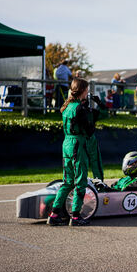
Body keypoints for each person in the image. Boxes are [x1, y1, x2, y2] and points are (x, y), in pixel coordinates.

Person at [47, 78, 93, 227]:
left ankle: (54, 215)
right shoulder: (80, 108)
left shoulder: (67, 107)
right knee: (80, 181)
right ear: (82, 90)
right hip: (77, 144)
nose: (88, 91)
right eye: (86, 89)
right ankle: (76, 216)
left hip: (66, 143)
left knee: (67, 181)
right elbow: (89, 130)